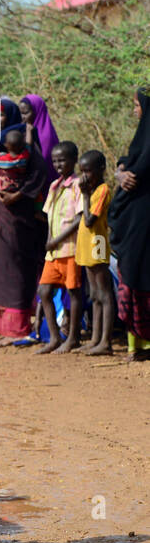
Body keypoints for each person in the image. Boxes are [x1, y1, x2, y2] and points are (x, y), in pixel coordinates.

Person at [0, 98, 48, 347]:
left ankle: (19, 327)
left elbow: (38, 173)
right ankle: (2, 327)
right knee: (0, 266)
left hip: (20, 216)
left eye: (3, 116)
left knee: (18, 267)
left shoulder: (26, 141)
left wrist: (19, 194)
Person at [110, 87, 150, 361]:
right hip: (136, 224)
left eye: (137, 105)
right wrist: (120, 173)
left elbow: (139, 171)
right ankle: (137, 345)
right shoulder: (142, 141)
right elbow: (127, 165)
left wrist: (125, 174)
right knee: (133, 275)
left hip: (145, 224)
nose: (134, 111)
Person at [36, 141, 83, 354]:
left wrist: (56, 240)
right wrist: (49, 241)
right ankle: (55, 337)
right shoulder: (54, 186)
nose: (58, 164)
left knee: (73, 292)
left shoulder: (78, 185)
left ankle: (73, 338)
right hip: (53, 252)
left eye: (63, 160)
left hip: (71, 248)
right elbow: (50, 217)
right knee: (44, 290)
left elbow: (79, 219)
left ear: (74, 160)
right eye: (55, 161)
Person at [77, 150, 113, 355]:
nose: (84, 176)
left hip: (97, 242)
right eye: (81, 171)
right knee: (95, 294)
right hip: (87, 244)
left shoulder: (102, 190)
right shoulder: (91, 190)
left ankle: (105, 342)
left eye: (88, 171)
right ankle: (95, 338)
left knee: (104, 293)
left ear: (101, 170)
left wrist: (85, 195)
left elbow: (90, 220)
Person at [20, 93, 59, 186]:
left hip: (44, 184)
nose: (22, 117)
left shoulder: (45, 136)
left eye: (26, 113)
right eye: (20, 113)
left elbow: (42, 165)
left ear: (37, 111)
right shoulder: (24, 130)